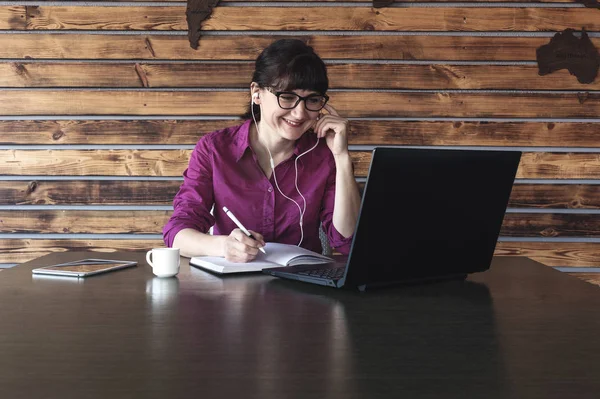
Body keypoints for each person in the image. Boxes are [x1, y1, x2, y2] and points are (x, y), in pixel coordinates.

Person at [163, 38, 361, 262]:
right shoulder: (214, 149)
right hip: (232, 287)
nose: (300, 113)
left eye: (312, 100)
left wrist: (342, 157)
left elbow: (347, 242)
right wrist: (223, 245)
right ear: (256, 93)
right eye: (287, 97)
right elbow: (176, 235)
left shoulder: (324, 155)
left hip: (303, 285)